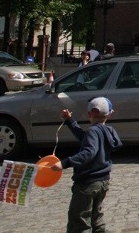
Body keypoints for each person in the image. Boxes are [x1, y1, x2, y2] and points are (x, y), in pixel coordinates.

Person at [51, 97, 123, 233]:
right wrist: (70, 121)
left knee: (80, 221)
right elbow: (84, 137)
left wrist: (64, 163)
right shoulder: (108, 131)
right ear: (110, 114)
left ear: (89, 114)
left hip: (87, 184)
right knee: (97, 218)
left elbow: (89, 152)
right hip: (103, 182)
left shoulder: (92, 132)